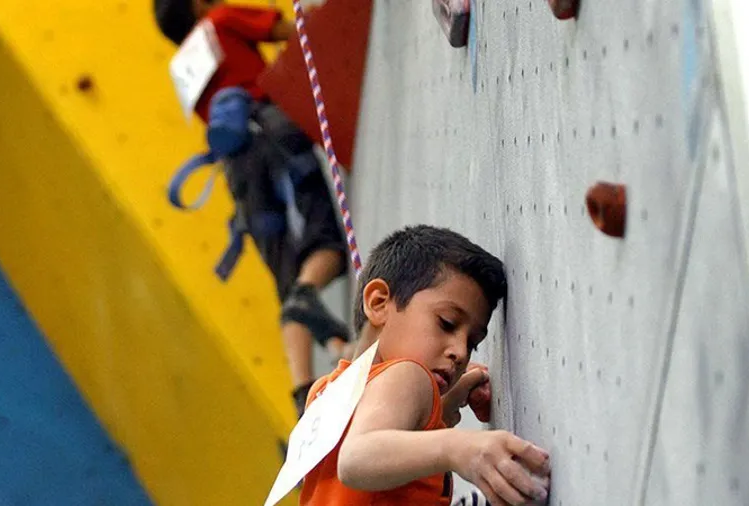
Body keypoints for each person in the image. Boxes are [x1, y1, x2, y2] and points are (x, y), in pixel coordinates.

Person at [154, 0, 352, 417]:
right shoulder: (220, 19)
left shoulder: (183, 65)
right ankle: (312, 304)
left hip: (237, 169)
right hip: (272, 132)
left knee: (283, 268)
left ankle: (304, 389)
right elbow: (292, 29)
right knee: (327, 241)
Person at [300, 225, 552, 506]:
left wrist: (441, 411)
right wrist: (459, 448)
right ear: (379, 303)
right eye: (446, 323)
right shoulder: (409, 375)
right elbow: (357, 457)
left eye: (472, 343)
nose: (459, 352)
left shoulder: (324, 392)